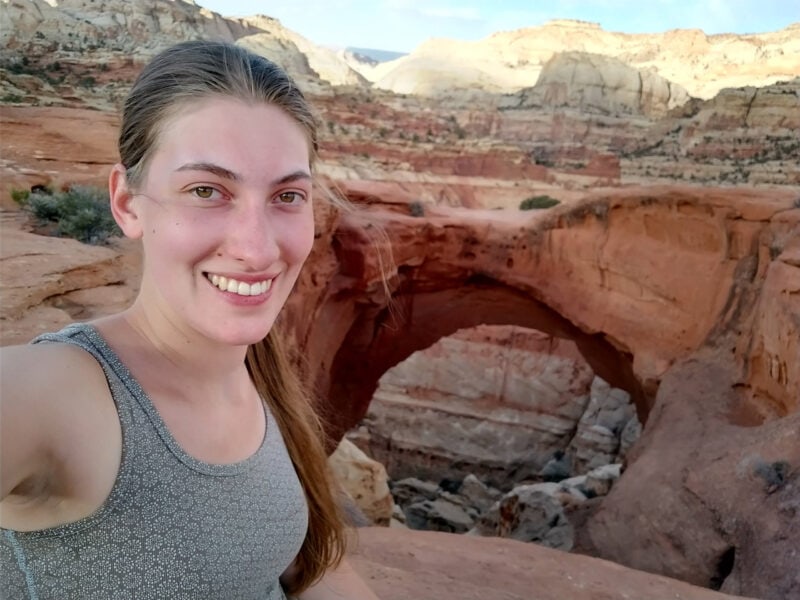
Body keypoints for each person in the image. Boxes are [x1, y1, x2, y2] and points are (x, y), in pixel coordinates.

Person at [0, 40, 380, 600]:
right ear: (128, 204)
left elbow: (305, 569)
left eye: (288, 196)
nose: (256, 249)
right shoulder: (59, 393)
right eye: (206, 191)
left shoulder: (260, 379)